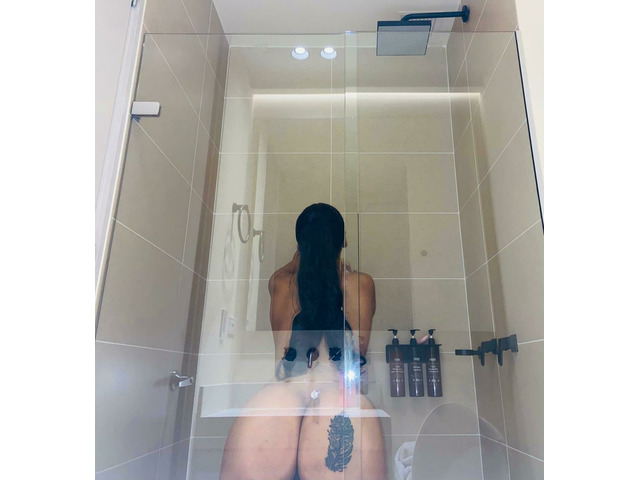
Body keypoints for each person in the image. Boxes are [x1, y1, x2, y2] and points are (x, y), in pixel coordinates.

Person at [220, 203, 387, 480]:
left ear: (299, 246)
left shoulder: (279, 283)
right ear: (343, 242)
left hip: (279, 398)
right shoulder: (361, 284)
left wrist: (304, 256)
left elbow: (292, 271)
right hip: (339, 399)